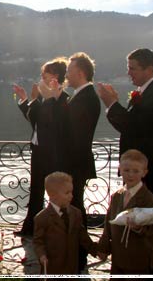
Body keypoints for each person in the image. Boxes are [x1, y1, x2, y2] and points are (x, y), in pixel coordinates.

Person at [97, 48, 153, 275]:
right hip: (138, 170)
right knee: (134, 227)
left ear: (149, 68)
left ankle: (148, 272)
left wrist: (111, 104)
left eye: (133, 68)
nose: (128, 73)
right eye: (128, 67)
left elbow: (133, 127)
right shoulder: (147, 92)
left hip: (147, 172)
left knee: (146, 229)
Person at [13, 57, 69, 235]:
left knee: (54, 191)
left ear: (56, 76)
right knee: (36, 190)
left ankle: (54, 228)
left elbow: (53, 124)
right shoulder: (47, 98)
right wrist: (25, 100)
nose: (42, 78)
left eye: (45, 75)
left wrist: (36, 100)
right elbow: (35, 121)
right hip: (38, 150)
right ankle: (31, 227)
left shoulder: (62, 99)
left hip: (51, 153)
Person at [63, 52, 101, 270]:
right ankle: (76, 251)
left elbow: (74, 132)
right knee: (74, 206)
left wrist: (56, 100)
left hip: (75, 163)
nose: (66, 74)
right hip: (75, 162)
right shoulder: (78, 95)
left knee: (76, 208)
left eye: (69, 70)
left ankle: (79, 254)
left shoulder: (86, 98)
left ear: (80, 72)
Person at [98, 149, 153, 275]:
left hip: (138, 258)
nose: (130, 175)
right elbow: (108, 223)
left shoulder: (148, 199)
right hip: (118, 257)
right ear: (120, 170)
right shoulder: (117, 196)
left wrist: (139, 228)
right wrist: (103, 247)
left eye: (136, 171)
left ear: (144, 172)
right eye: (126, 170)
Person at [32, 171, 99, 275]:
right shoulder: (42, 218)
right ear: (53, 195)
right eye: (67, 193)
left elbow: (83, 237)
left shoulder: (76, 213)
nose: (71, 196)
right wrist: (42, 255)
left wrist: (96, 251)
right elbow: (38, 241)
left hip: (72, 267)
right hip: (53, 268)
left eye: (71, 192)